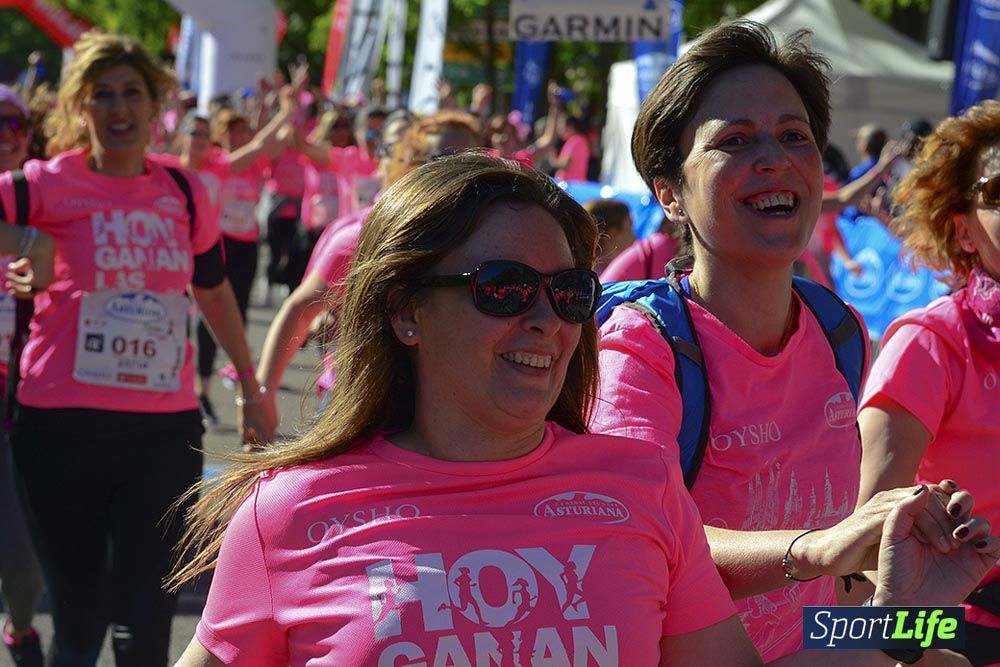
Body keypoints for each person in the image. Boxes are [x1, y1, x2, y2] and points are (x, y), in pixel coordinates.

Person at [169, 152, 1000, 667]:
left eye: (568, 292)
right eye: (502, 289)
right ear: (404, 310)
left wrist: (905, 620)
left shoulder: (638, 484)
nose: (545, 319)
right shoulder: (290, 512)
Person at [589, 20, 982, 662]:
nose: (774, 158)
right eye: (735, 141)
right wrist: (815, 549)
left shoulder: (838, 329)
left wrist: (915, 617)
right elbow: (639, 541)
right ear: (669, 195)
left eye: (794, 136)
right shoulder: (640, 349)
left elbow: (835, 609)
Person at [0, 31, 276, 666]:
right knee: (78, 618)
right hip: (60, 425)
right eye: (102, 96)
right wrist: (26, 239)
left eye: (133, 93)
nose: (118, 109)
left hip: (160, 431)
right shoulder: (43, 184)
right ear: (80, 108)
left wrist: (252, 388)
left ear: (156, 108)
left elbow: (214, 293)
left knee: (146, 618)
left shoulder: (182, 192)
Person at [857, 99, 1000, 666]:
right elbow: (866, 537)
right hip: (955, 640)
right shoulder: (930, 342)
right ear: (963, 231)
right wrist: (918, 652)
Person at [255, 110, 480, 439]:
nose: (457, 168)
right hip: (356, 405)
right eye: (443, 157)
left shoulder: (491, 240)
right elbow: (300, 309)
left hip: (445, 412)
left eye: (471, 158)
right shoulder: (362, 233)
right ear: (413, 163)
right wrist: (260, 397)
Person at [0, 83, 50, 667]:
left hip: (30, 405)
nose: (2, 137)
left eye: (11, 125)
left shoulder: (51, 201)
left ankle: (18, 624)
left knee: (21, 560)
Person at [582, 199, 636, 274]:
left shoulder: (585, 271)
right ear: (613, 233)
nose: (635, 238)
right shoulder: (590, 277)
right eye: (630, 229)